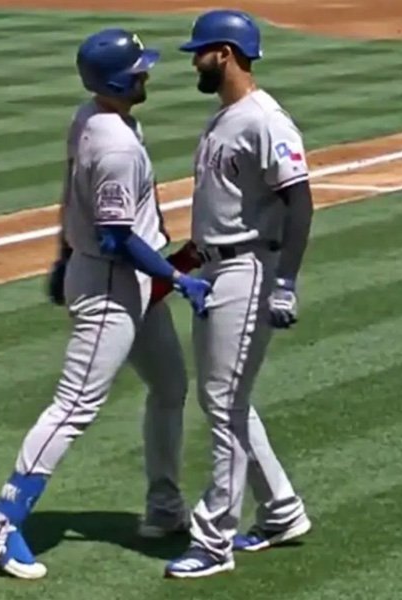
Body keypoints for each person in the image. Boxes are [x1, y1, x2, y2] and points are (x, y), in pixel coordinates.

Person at [0, 27, 212, 580]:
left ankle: (164, 508)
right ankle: (1, 522)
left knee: (170, 385)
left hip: (119, 281)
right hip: (111, 287)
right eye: (139, 68)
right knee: (74, 405)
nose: (147, 73)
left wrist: (59, 256)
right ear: (120, 79)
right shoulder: (116, 145)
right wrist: (178, 275)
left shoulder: (92, 117)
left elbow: (69, 192)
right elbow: (117, 235)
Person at [163, 9, 315, 579]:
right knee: (225, 401)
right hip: (216, 269)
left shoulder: (265, 121)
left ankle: (214, 540)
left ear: (224, 53)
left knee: (224, 403)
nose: (194, 62)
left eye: (199, 52)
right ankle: (280, 511)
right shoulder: (223, 118)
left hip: (250, 271)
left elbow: (299, 203)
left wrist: (285, 283)